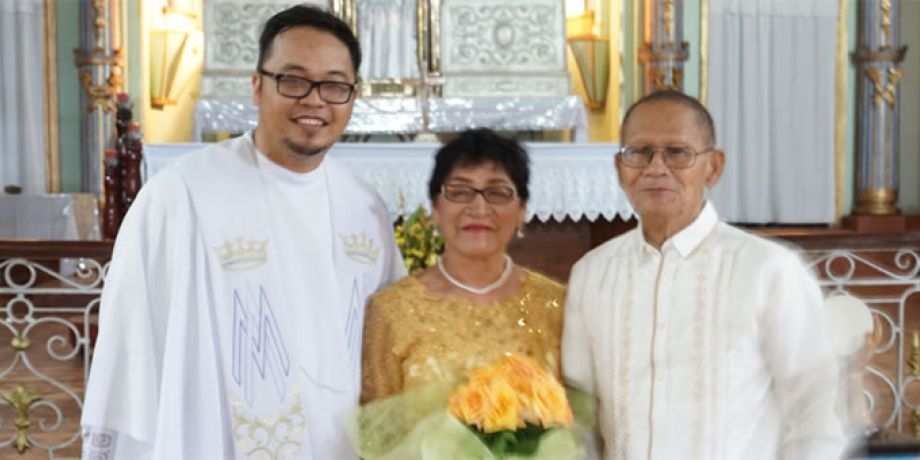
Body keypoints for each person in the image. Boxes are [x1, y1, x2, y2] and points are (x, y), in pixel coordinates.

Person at [81, 5, 405, 459]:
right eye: (293, 80)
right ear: (257, 86)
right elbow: (131, 344)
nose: (314, 100)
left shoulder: (364, 208)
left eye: (334, 85)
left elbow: (388, 344)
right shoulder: (181, 197)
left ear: (352, 95)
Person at [562, 90, 846, 459]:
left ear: (713, 167)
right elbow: (580, 410)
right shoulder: (592, 274)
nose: (656, 167)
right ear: (620, 169)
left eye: (677, 153)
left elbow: (816, 411)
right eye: (639, 152)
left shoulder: (768, 270)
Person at [360, 128, 565, 404]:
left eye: (497, 192)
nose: (479, 208)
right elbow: (377, 431)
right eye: (459, 191)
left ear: (522, 210)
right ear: (435, 208)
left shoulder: (557, 306)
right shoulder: (391, 312)